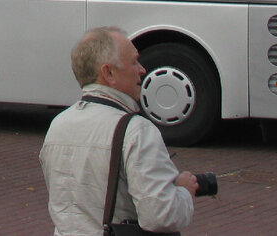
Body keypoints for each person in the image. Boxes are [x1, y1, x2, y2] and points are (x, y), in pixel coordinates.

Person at [40, 26, 197, 236]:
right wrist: (184, 192)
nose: (142, 69)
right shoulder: (137, 131)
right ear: (109, 73)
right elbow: (160, 217)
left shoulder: (58, 125)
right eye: (133, 62)